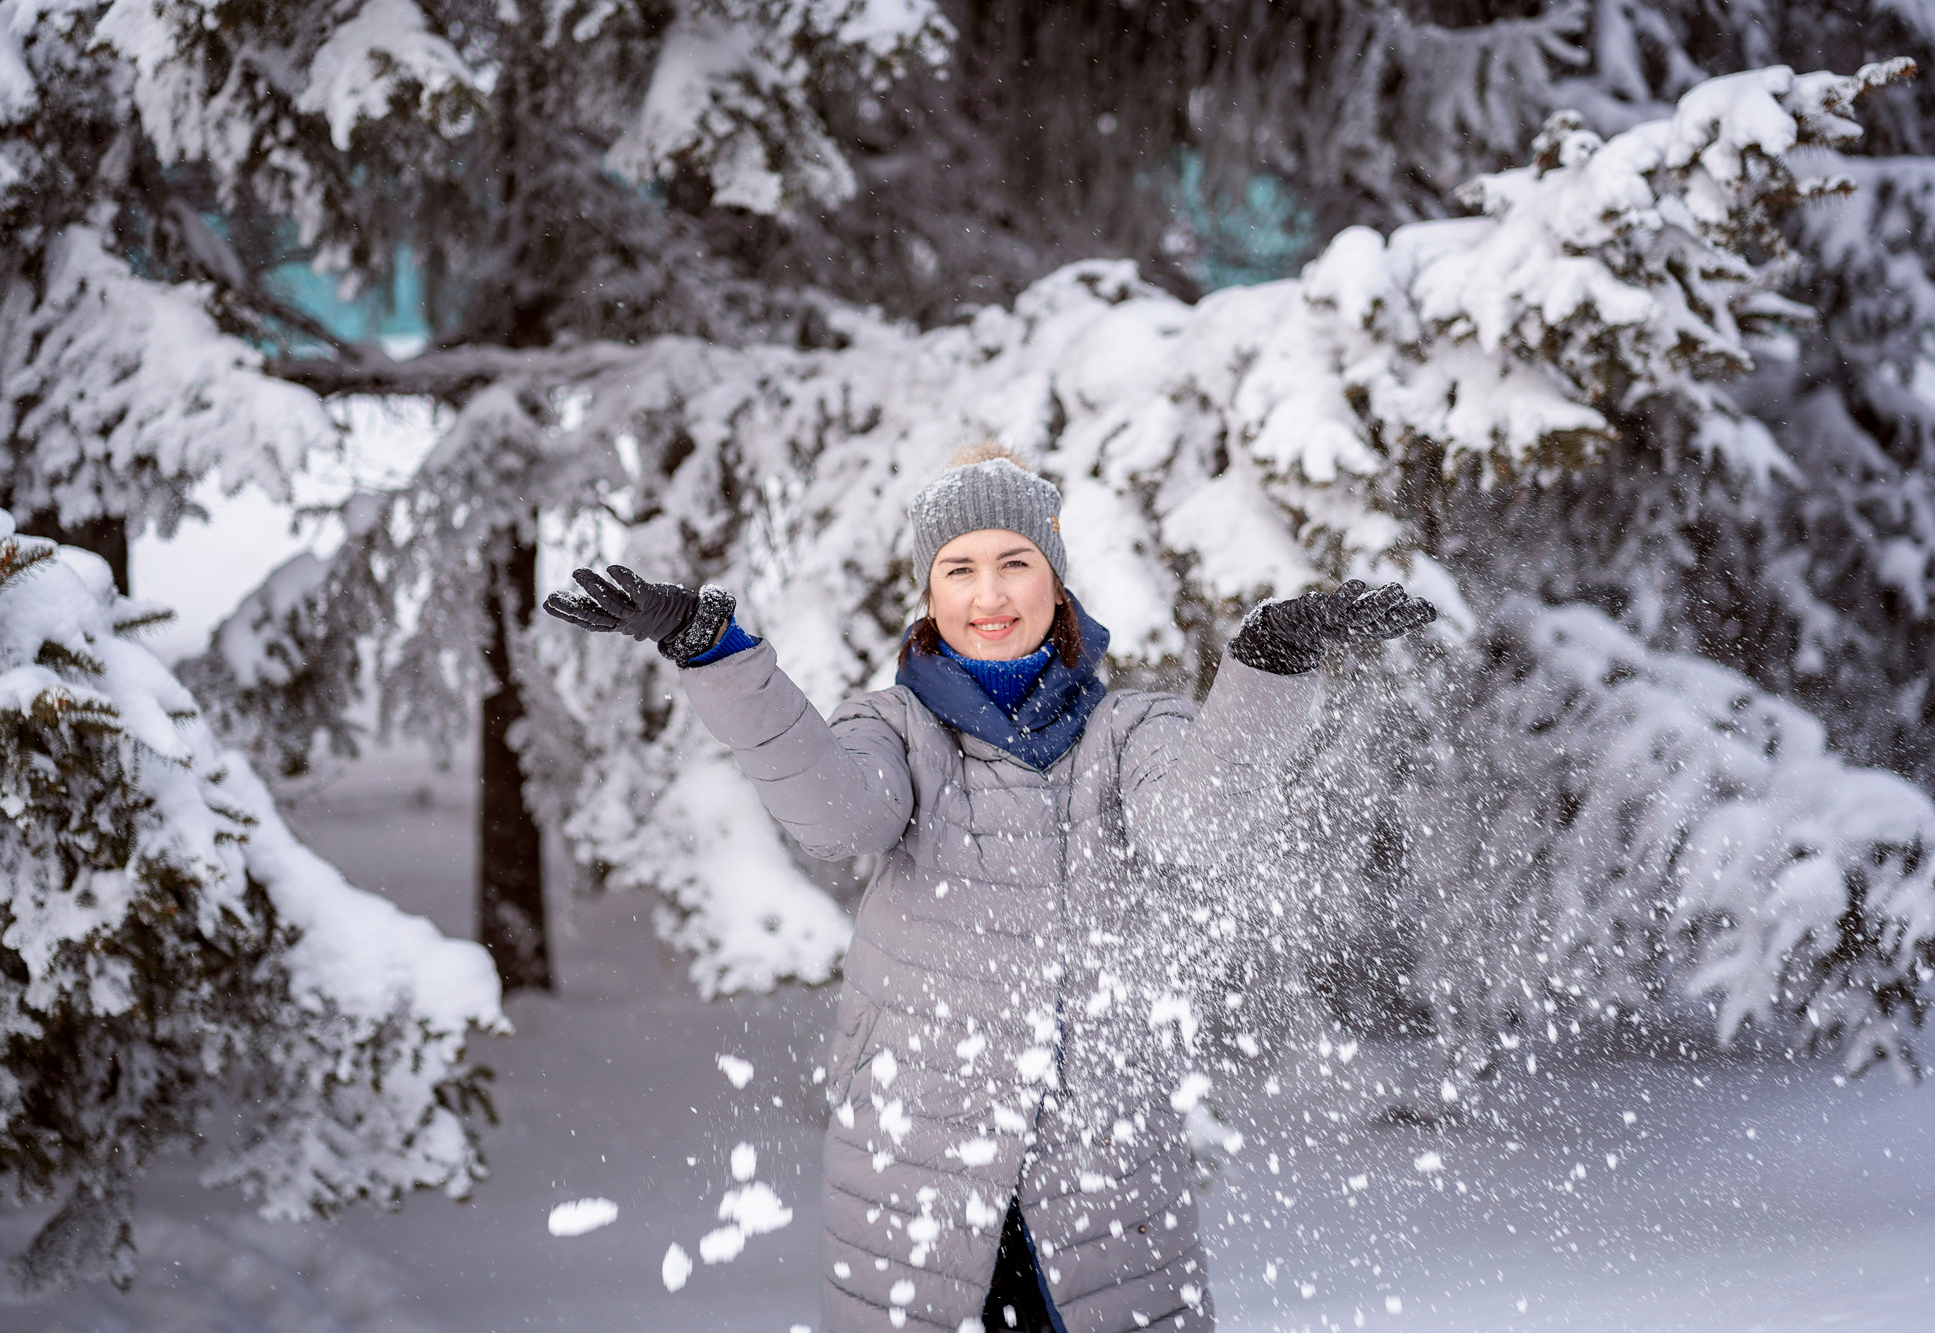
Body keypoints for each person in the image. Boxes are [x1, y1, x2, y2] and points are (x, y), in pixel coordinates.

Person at [545, 444, 1435, 1333]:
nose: (990, 593)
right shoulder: (896, 729)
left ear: (1057, 583)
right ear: (930, 597)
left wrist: (1266, 669)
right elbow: (834, 815)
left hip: (1102, 1165)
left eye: (1016, 562)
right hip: (917, 1162)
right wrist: (717, 652)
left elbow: (1195, 827)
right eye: (959, 568)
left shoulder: (1129, 728)